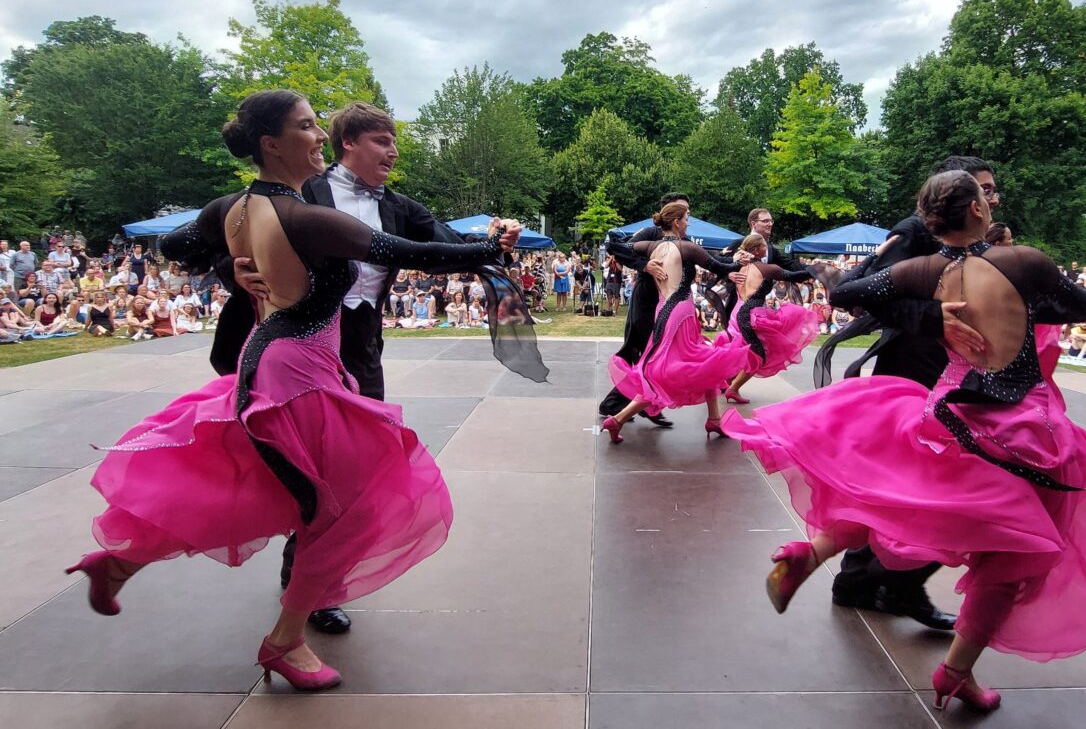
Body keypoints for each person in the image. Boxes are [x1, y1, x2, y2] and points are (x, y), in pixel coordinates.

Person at [72, 89, 529, 693]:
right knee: (344, 500)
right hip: (298, 373)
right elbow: (418, 254)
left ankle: (124, 561)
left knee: (272, 490)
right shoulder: (303, 215)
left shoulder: (231, 207)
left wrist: (232, 261)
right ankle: (286, 639)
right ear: (272, 143)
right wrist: (492, 248)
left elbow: (173, 247)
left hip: (281, 363)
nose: (318, 137)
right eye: (308, 127)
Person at [722, 170, 1086, 712]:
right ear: (975, 210)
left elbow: (847, 291)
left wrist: (933, 315)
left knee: (906, 495)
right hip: (1021, 430)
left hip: (944, 418)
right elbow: (1074, 308)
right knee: (1011, 555)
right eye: (987, 194)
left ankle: (809, 553)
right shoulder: (1023, 262)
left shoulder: (925, 270)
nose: (993, 200)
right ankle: (955, 673)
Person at [817, 156, 998, 631]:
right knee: (944, 483)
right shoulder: (915, 231)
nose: (991, 200)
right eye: (984, 189)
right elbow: (858, 291)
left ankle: (866, 581)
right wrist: (933, 318)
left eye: (991, 191)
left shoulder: (975, 241)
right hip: (912, 373)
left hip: (946, 374)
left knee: (905, 481)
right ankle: (893, 583)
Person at [601, 202, 752, 442]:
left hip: (663, 312)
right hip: (680, 313)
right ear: (677, 223)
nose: (688, 222)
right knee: (676, 368)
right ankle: (617, 418)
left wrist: (644, 264)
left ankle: (714, 419)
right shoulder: (686, 248)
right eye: (687, 218)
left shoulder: (651, 246)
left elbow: (613, 243)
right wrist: (739, 260)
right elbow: (721, 267)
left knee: (701, 360)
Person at [597, 193, 693, 427]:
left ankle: (642, 405)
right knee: (636, 350)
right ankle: (620, 405)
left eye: (687, 211)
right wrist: (644, 265)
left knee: (655, 353)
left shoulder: (685, 240)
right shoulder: (650, 233)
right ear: (668, 213)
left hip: (667, 306)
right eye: (682, 211)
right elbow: (615, 246)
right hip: (646, 299)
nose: (687, 216)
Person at [716, 234, 819, 404]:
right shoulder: (766, 269)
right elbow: (795, 276)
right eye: (764, 246)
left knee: (745, 351)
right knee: (758, 356)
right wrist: (817, 270)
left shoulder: (740, 267)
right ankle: (732, 388)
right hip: (750, 315)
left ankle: (728, 383)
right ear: (756, 250)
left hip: (739, 312)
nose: (767, 249)